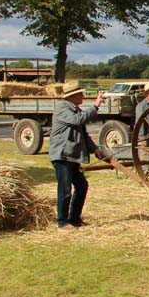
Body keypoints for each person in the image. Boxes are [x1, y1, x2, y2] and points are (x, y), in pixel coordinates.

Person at [49, 81, 106, 229]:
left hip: (71, 155)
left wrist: (95, 149)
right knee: (65, 189)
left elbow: (83, 134)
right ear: (72, 96)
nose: (83, 96)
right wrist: (96, 105)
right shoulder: (63, 109)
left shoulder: (75, 109)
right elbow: (78, 120)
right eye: (80, 94)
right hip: (62, 155)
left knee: (81, 186)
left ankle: (74, 219)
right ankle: (62, 222)